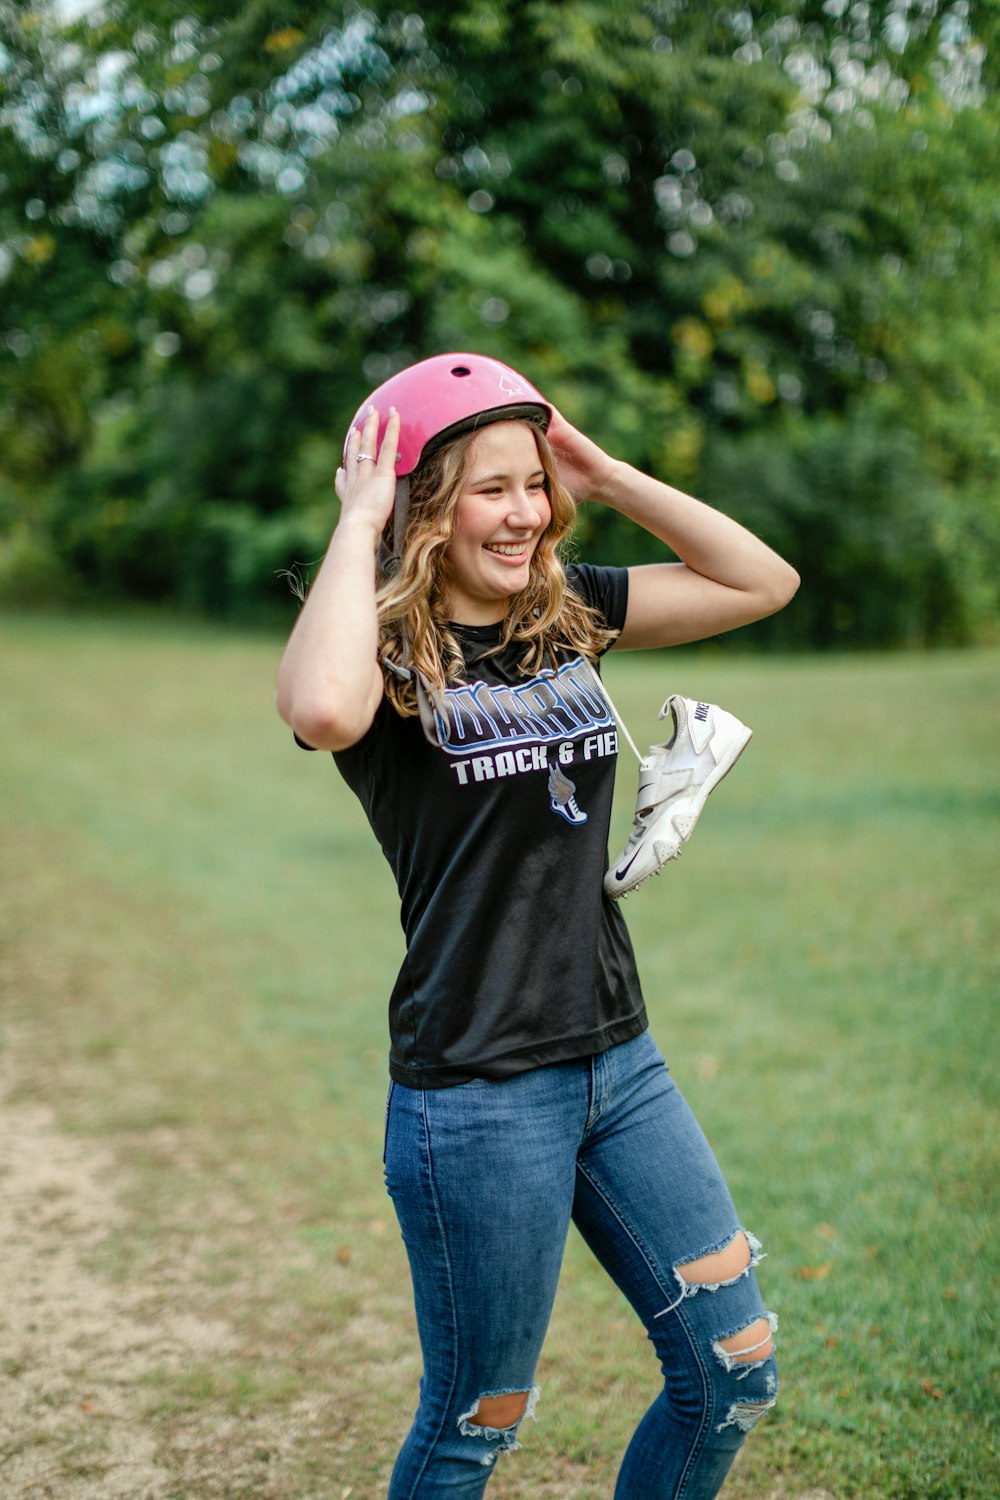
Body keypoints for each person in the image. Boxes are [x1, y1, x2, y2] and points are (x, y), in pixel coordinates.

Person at [275, 352, 799, 1499]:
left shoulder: (569, 615)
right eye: (486, 488)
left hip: (619, 1060)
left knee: (733, 1372)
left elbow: (762, 582)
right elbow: (318, 709)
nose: (522, 515)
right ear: (424, 505)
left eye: (532, 485)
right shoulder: (384, 654)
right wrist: (360, 517)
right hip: (474, 1090)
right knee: (476, 1424)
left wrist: (607, 474)